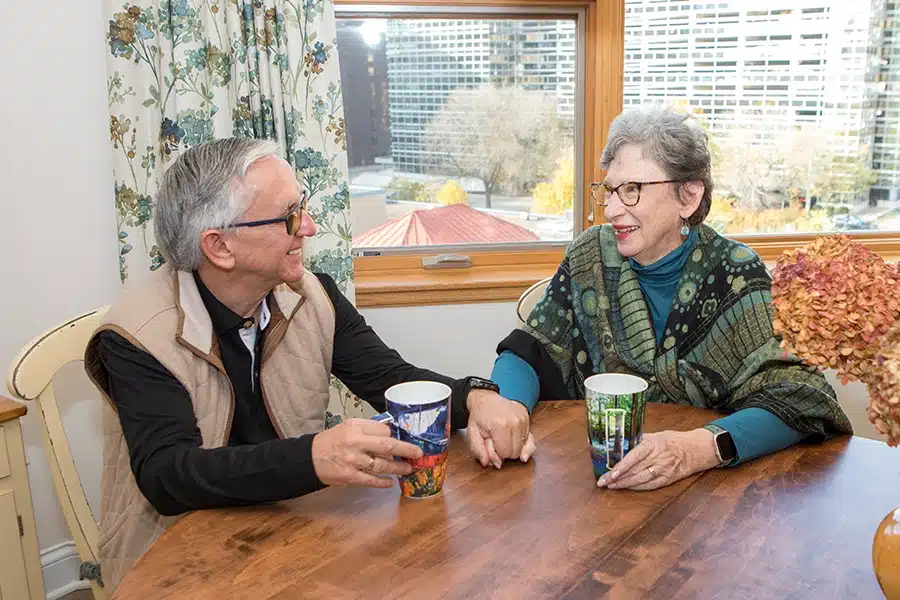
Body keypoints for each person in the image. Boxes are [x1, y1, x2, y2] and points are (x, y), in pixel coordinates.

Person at [83, 138, 530, 592]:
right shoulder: (137, 335)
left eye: (303, 206)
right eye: (289, 216)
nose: (310, 227)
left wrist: (476, 397)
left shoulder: (313, 296)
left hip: (287, 531)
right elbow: (169, 475)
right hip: (176, 563)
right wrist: (314, 458)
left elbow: (389, 377)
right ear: (219, 246)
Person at [474, 105, 852, 489]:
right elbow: (530, 350)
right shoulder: (590, 256)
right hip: (599, 479)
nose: (612, 209)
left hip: (709, 493)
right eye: (610, 191)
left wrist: (696, 450)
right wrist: (505, 408)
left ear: (688, 197)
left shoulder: (735, 273)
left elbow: (800, 395)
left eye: (632, 190)